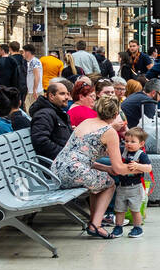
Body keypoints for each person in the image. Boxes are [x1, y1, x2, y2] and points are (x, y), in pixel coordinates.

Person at [52, 94, 130, 239]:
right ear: (115, 114)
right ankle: (96, 225)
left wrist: (106, 168)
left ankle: (94, 221)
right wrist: (141, 168)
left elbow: (80, 157)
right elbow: (118, 168)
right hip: (73, 172)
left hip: (56, 169)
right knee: (110, 184)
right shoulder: (109, 132)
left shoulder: (86, 122)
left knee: (99, 181)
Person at [109, 127, 153, 238]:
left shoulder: (141, 155)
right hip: (122, 186)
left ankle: (137, 227)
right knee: (119, 209)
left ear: (141, 143)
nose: (128, 144)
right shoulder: (124, 151)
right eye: (126, 141)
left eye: (133, 142)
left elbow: (149, 168)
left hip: (135, 187)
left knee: (135, 209)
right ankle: (118, 227)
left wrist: (138, 166)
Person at [29, 77, 73, 160]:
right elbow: (41, 141)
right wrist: (65, 154)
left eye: (67, 94)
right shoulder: (44, 114)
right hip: (55, 163)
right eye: (62, 94)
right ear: (51, 96)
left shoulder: (57, 112)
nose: (67, 97)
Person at [22, 44, 43, 110]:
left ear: (27, 52)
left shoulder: (34, 62)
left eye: (24, 52)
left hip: (35, 92)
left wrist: (34, 89)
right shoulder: (32, 62)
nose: (23, 54)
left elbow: (37, 76)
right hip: (32, 91)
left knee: (31, 111)